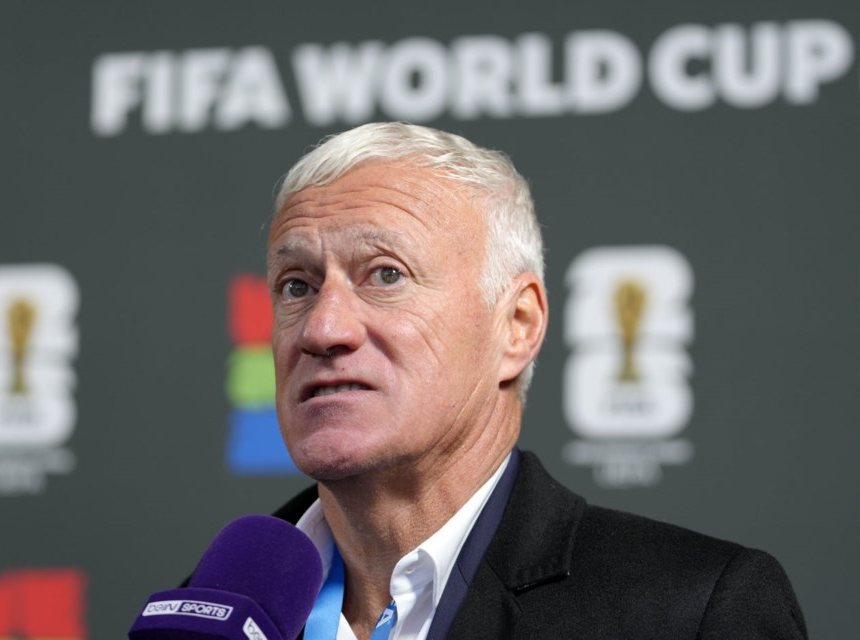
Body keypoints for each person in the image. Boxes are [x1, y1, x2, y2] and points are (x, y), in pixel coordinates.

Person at [264, 122, 807, 639]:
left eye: (387, 275)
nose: (322, 329)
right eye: (296, 286)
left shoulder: (693, 614)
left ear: (517, 326)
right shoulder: (222, 605)